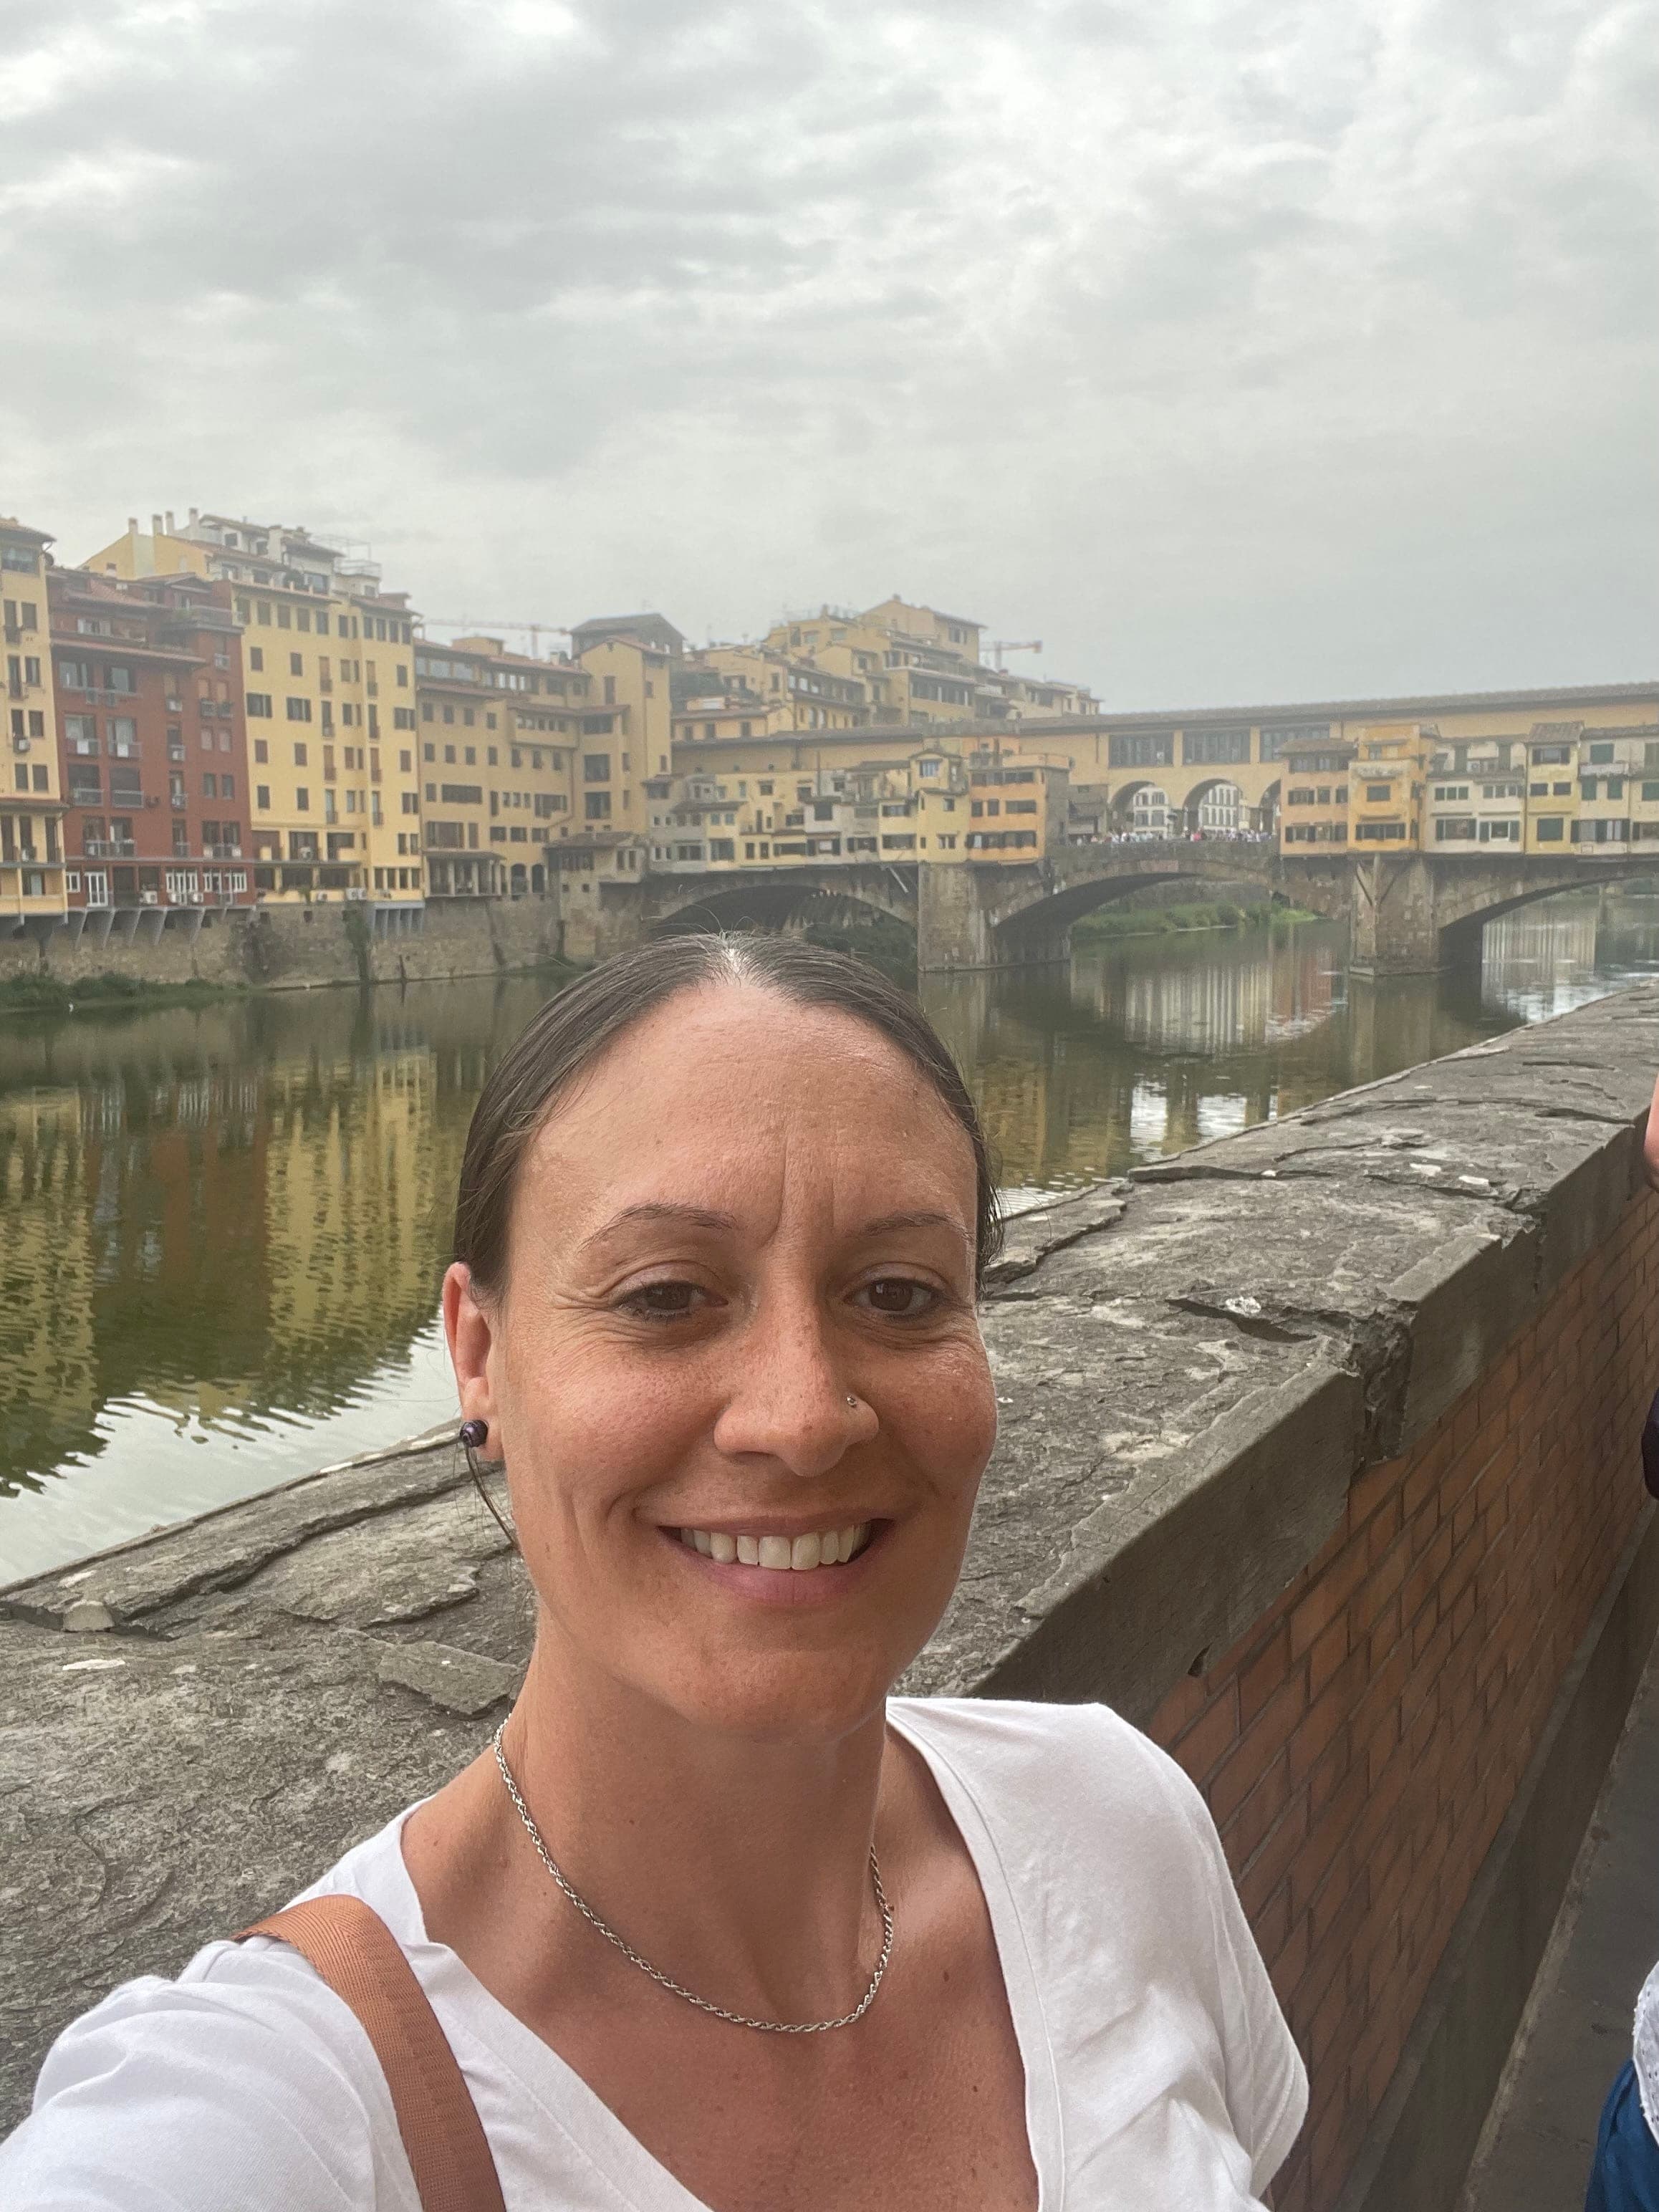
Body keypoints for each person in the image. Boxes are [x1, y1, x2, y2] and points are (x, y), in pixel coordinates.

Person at [1, 935, 1307, 2211]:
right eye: (666, 1296)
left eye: (901, 1294)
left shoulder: (1113, 1820)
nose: (802, 1417)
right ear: (478, 1356)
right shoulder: (277, 2114)